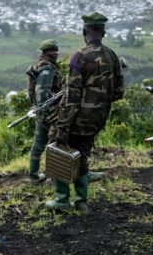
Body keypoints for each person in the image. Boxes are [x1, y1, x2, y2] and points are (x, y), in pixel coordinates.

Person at [46, 11, 124, 212]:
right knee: (82, 155)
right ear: (103, 32)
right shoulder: (112, 56)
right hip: (97, 119)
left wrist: (62, 125)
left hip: (76, 120)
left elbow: (71, 97)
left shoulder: (78, 58)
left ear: (84, 31)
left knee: (60, 150)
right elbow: (118, 92)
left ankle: (62, 200)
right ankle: (81, 201)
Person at [26, 39, 62, 183]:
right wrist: (52, 113)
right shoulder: (47, 69)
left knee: (39, 143)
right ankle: (53, 177)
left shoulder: (41, 67)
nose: (56, 54)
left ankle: (34, 176)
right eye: (54, 52)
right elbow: (42, 93)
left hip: (42, 111)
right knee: (54, 142)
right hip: (48, 112)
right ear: (48, 53)